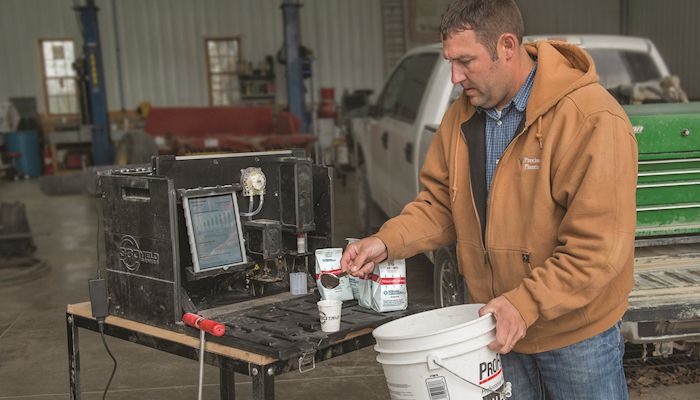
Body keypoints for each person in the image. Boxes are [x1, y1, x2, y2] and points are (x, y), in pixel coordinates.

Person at [340, 0, 637, 398]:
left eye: (465, 61)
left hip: (575, 337)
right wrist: (385, 241)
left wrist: (524, 303)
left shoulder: (591, 120)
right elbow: (442, 206)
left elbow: (598, 249)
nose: (454, 77)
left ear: (508, 46)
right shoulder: (460, 118)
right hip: (497, 330)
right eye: (450, 61)